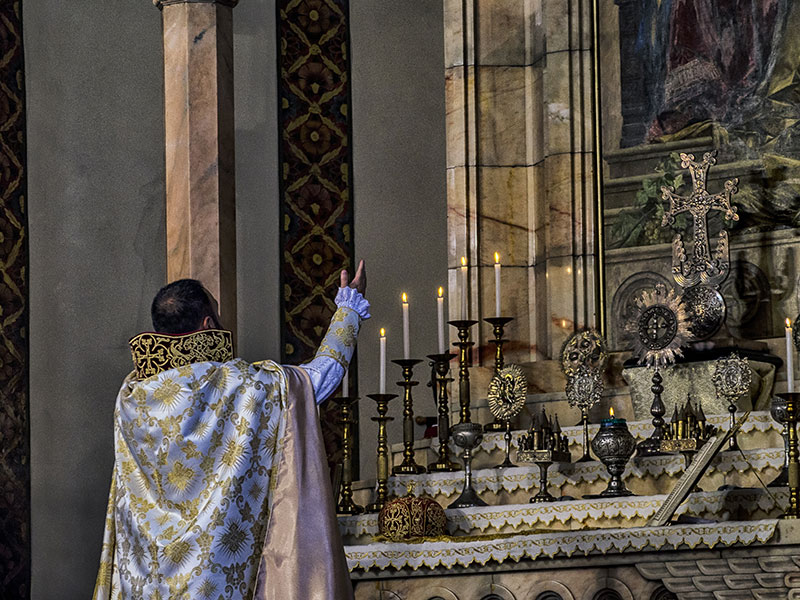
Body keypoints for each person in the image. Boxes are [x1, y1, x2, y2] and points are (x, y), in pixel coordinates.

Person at [93, 261, 369, 600]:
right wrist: (349, 308)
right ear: (209, 325)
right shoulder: (242, 387)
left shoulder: (131, 396)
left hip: (148, 584)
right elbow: (318, 379)